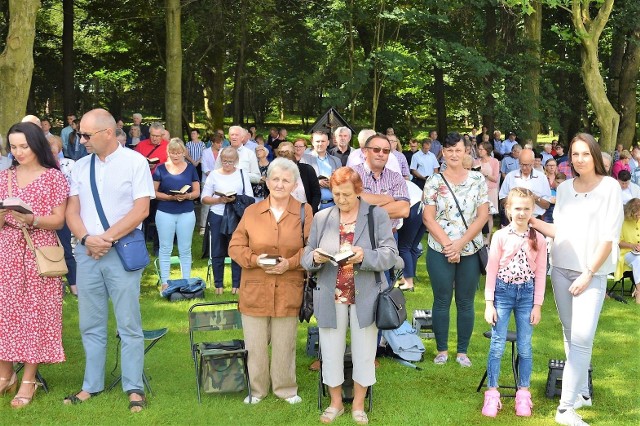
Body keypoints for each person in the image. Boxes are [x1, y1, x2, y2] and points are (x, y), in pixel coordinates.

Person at [529, 133, 623, 426]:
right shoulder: (565, 188)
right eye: (575, 154)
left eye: (585, 153)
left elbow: (609, 237)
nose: (580, 159)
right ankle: (581, 392)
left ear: (595, 155)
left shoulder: (609, 187)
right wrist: (529, 220)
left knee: (582, 339)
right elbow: (561, 230)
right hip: (561, 268)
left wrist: (588, 273)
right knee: (571, 335)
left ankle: (565, 409)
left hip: (590, 273)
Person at [64, 108, 153, 412]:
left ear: (107, 133)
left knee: (128, 322)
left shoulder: (135, 162)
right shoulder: (79, 166)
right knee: (91, 323)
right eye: (80, 134)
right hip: (87, 253)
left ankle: (133, 386)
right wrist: (89, 240)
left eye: (86, 135)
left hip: (122, 251)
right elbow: (72, 211)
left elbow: (141, 209)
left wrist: (107, 239)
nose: (82, 139)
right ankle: (91, 385)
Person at [301, 167, 397, 425]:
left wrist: (364, 255)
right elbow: (307, 254)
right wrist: (315, 257)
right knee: (330, 351)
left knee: (364, 352)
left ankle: (357, 404)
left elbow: (390, 254)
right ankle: (335, 403)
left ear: (359, 191)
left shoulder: (377, 216)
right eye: (336, 194)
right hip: (330, 294)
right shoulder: (322, 217)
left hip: (365, 294)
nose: (341, 200)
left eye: (346, 194)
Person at [228, 157, 312, 405]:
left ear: (294, 184)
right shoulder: (252, 211)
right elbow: (235, 246)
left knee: (285, 342)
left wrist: (291, 263)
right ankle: (256, 390)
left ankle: (285, 388)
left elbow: (311, 248)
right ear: (266, 181)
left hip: (289, 286)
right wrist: (255, 260)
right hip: (255, 286)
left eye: (286, 180)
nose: (279, 184)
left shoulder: (304, 211)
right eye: (275, 179)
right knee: (255, 343)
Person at [0, 122, 69, 408]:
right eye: (13, 147)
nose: (18, 152)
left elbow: (59, 220)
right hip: (7, 253)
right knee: (5, 312)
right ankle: (5, 374)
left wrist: (31, 219)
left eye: (23, 146)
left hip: (40, 252)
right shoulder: (4, 177)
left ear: (36, 145)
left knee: (36, 314)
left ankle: (29, 378)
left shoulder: (54, 178)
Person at [423, 132, 489, 367]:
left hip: (470, 249)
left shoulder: (477, 180)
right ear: (443, 152)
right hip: (440, 249)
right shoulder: (433, 181)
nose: (453, 154)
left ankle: (462, 351)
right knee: (441, 300)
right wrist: (449, 246)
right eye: (449, 150)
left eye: (458, 150)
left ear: (465, 152)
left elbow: (482, 217)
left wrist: (460, 244)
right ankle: (441, 350)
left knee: (465, 301)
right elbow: (428, 218)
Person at [482, 188, 547, 418]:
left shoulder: (538, 238)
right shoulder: (500, 236)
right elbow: (491, 272)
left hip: (526, 295)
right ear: (508, 210)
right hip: (502, 293)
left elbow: (540, 273)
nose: (521, 213)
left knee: (525, 346)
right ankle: (492, 393)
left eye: (526, 209)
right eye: (517, 208)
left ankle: (523, 394)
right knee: (497, 344)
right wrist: (489, 303)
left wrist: (537, 305)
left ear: (533, 211)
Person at [201, 147, 253, 295]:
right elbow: (204, 198)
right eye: (224, 161)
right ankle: (219, 285)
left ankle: (236, 285)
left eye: (230, 162)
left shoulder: (242, 173)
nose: (227, 164)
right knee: (217, 249)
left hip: (236, 215)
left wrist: (235, 198)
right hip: (217, 214)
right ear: (220, 160)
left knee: (236, 249)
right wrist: (219, 200)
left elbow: (250, 196)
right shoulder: (214, 175)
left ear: (236, 161)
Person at [153, 138, 200, 293]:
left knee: (185, 248)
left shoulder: (191, 169)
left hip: (186, 211)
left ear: (184, 153)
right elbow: (153, 192)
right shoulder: (160, 169)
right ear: (168, 152)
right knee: (165, 247)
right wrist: (170, 197)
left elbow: (196, 192)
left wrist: (187, 196)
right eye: (173, 152)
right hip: (165, 211)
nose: (176, 155)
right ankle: (165, 281)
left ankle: (186, 279)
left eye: (179, 152)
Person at [49, 135, 78, 296]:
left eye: (54, 152)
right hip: (45, 215)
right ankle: (54, 284)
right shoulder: (40, 168)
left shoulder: (69, 165)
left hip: (64, 212)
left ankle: (74, 284)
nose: (52, 156)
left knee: (66, 248)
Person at [275, 142, 321, 213]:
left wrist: (310, 211)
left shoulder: (307, 170)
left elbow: (316, 194)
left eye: (288, 152)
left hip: (306, 213)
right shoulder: (275, 173)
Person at [617, 198, 640, 304]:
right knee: (638, 260)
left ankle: (638, 291)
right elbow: (618, 242)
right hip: (626, 253)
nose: (638, 217)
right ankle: (639, 291)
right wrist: (632, 245)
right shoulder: (622, 222)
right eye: (636, 215)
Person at [477, 142, 500, 243]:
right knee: (478, 215)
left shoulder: (494, 162)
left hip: (491, 191)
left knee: (489, 215)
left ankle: (488, 237)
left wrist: (485, 174)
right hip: (479, 191)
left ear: (487, 150)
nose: (479, 151)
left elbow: (495, 178)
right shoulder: (476, 161)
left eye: (481, 149)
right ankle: (478, 236)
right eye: (479, 149)